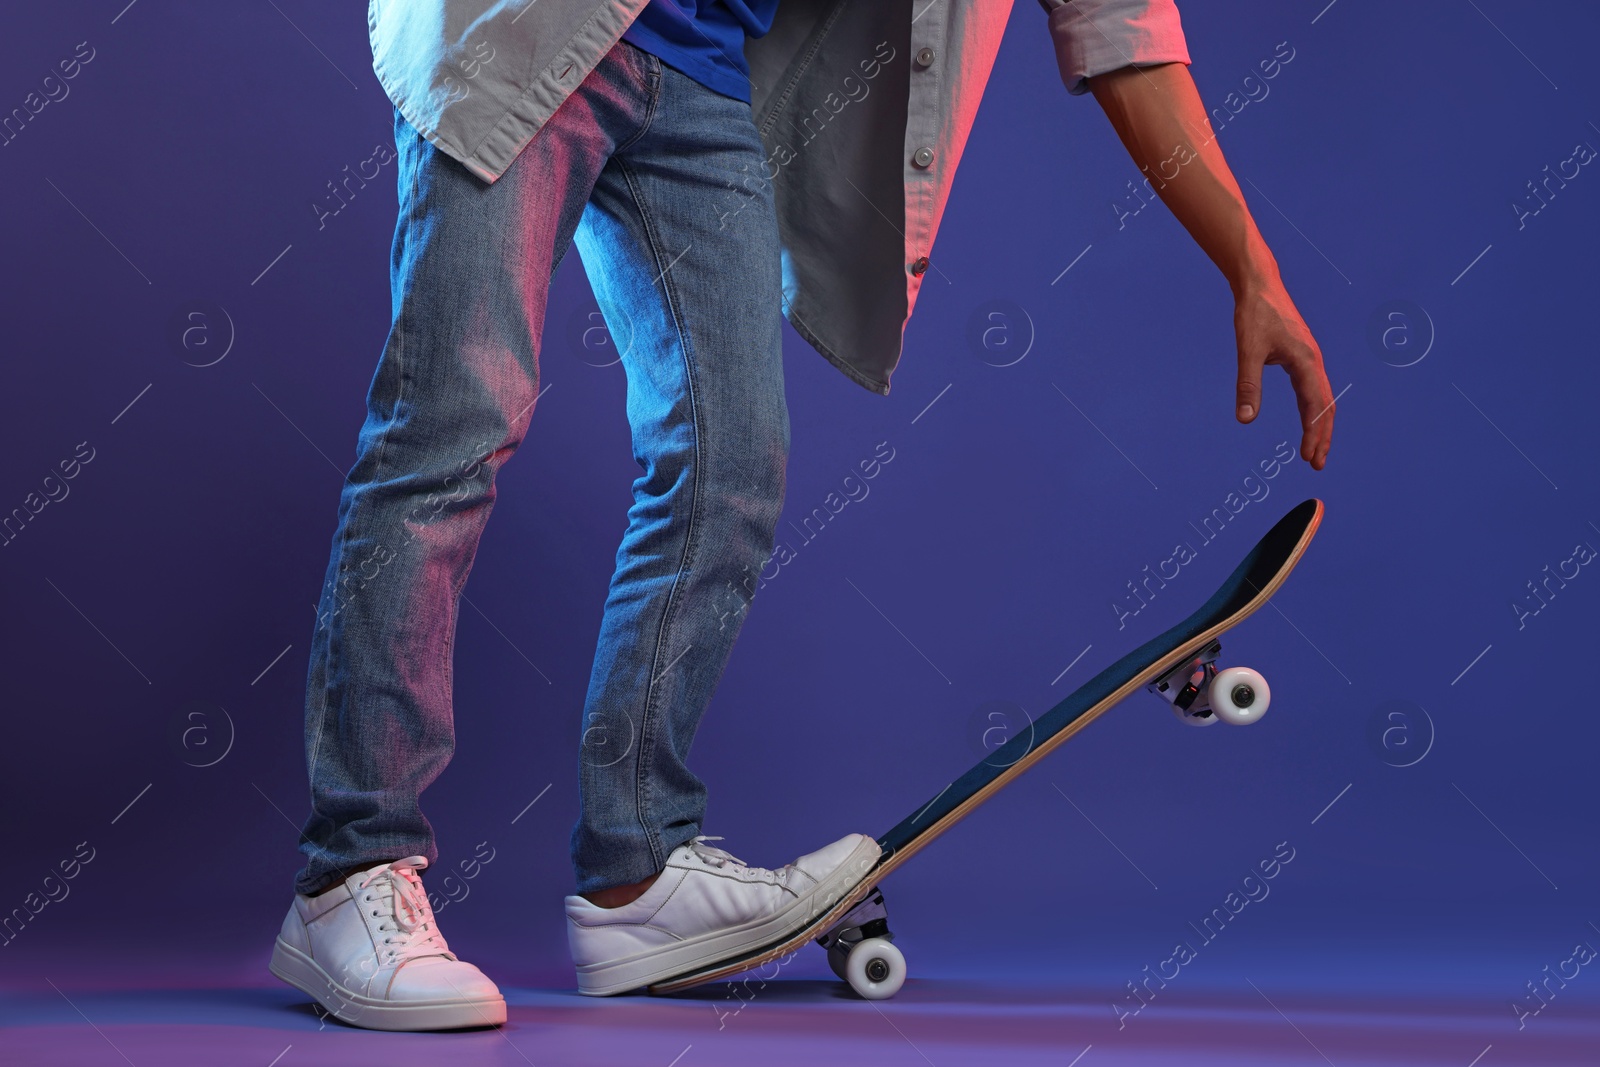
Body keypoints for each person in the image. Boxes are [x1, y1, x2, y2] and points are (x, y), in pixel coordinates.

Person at [270, 0, 1335, 1031]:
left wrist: (1250, 264)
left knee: (728, 462)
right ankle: (351, 870)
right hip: (528, 25)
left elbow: (1120, 30)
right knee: (453, 427)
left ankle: (635, 872)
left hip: (698, 74)